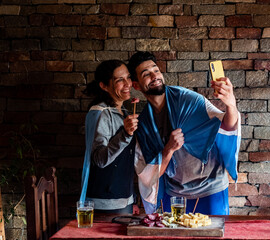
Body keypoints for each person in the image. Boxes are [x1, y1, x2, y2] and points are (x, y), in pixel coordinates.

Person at [128, 52, 241, 215]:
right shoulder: (144, 123)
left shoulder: (188, 100)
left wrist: (231, 104)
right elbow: (148, 175)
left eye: (156, 70)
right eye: (146, 74)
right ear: (136, 85)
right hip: (174, 194)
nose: (154, 76)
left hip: (210, 188)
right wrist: (168, 149)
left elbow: (226, 126)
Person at [80, 60, 139, 214]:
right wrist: (125, 135)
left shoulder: (123, 112)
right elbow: (99, 160)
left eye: (128, 77)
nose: (127, 84)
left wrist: (132, 198)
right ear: (104, 86)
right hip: (106, 202)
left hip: (124, 199)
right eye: (119, 80)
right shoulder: (101, 113)